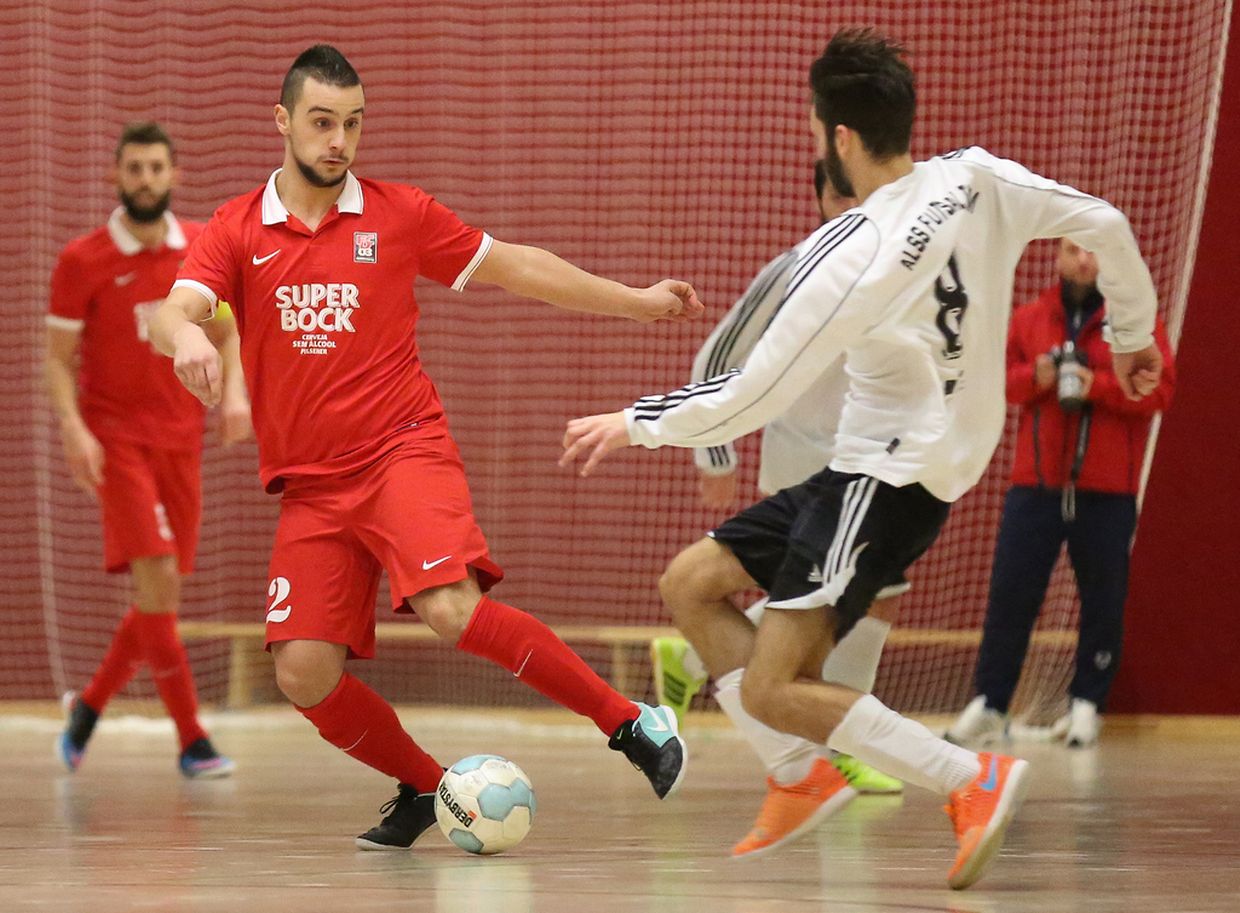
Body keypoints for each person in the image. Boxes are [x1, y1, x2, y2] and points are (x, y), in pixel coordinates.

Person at [562, 28, 1163, 889]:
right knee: (690, 583)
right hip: (879, 464)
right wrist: (1135, 334)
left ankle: (970, 777)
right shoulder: (977, 176)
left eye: (815, 129)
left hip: (892, 475)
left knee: (774, 685)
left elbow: (752, 392)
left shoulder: (851, 255)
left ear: (838, 137)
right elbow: (1104, 222)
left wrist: (635, 421)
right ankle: (798, 775)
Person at [150, 46, 702, 850]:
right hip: (311, 486)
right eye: (322, 122)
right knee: (303, 672)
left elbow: (516, 265)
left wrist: (637, 302)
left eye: (353, 123)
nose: (340, 140)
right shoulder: (237, 228)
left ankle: (630, 722)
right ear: (283, 122)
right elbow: (174, 309)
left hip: (402, 450)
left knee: (452, 609)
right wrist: (186, 343)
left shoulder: (397, 214)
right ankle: (424, 786)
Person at [651, 160, 906, 837]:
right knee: (823, 603)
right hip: (804, 461)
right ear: (822, 198)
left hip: (879, 461)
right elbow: (716, 355)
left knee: (872, 595)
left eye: (867, 188)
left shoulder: (907, 260)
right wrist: (715, 452)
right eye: (841, 190)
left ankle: (693, 654)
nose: (856, 202)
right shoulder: (798, 269)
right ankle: (841, 751)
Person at [47, 122, 251, 778]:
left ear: (174, 175)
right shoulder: (83, 259)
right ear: (116, 176)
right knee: (158, 577)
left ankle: (88, 707)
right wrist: (75, 429)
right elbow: (57, 358)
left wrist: (239, 395)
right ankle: (193, 739)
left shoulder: (197, 247)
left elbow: (227, 329)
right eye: (133, 168)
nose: (145, 179)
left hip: (180, 438)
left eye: (156, 168)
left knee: (162, 595)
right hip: (118, 441)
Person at [946, 239, 1176, 749]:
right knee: (1011, 594)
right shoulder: (1031, 316)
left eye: (1094, 252)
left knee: (1103, 599)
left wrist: (1097, 385)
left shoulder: (1135, 322)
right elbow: (1001, 383)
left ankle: (1086, 704)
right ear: (1058, 256)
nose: (1084, 261)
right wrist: (1040, 375)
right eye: (1074, 250)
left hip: (1107, 489)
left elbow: (1161, 391)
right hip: (1037, 485)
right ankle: (991, 703)